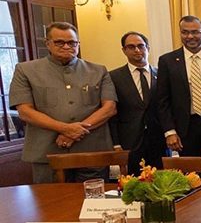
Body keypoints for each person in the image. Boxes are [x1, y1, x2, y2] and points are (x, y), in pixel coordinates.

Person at [9, 22, 117, 183]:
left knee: (94, 202)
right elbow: (25, 111)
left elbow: (109, 108)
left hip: (92, 151)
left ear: (78, 44)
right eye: (59, 42)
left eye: (72, 43)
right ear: (48, 44)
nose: (67, 46)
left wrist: (75, 133)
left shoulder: (98, 70)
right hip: (47, 152)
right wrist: (66, 129)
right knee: (50, 204)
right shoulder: (25, 70)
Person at [156, 15, 201, 158]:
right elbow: (162, 100)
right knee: (189, 174)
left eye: (195, 32)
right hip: (185, 127)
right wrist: (170, 131)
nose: (190, 36)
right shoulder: (167, 61)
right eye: (185, 32)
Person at [109, 31, 166, 175]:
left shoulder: (162, 74)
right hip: (130, 140)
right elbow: (112, 112)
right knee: (134, 183)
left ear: (148, 48)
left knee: (162, 182)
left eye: (141, 46)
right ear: (124, 50)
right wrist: (115, 143)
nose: (137, 50)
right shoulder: (113, 77)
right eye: (131, 47)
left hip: (159, 139)